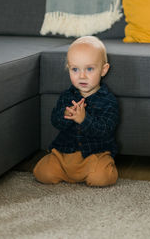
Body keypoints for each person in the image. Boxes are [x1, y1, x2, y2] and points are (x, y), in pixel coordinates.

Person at [33, 36, 119, 187]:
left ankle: (97, 170)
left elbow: (105, 129)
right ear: (69, 68)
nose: (82, 76)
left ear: (103, 70)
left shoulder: (108, 100)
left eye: (90, 69)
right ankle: (65, 172)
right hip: (64, 153)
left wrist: (84, 119)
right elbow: (55, 120)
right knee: (42, 173)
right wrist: (65, 115)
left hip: (94, 155)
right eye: (75, 69)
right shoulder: (67, 96)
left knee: (100, 178)